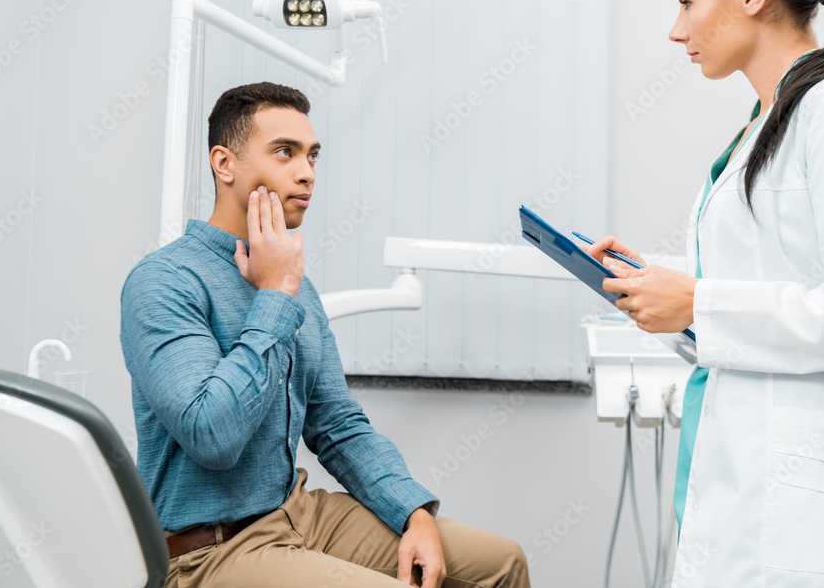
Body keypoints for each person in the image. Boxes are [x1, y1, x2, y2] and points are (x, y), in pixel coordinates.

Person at [582, 0, 824, 585]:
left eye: (685, 2)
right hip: (738, 475)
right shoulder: (763, 125)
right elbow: (775, 274)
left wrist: (700, 301)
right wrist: (663, 281)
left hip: (797, 510)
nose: (677, 31)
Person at [120, 82, 529, 588]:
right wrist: (275, 293)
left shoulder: (295, 286)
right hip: (209, 551)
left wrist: (413, 513)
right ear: (224, 165)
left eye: (312, 155)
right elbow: (212, 437)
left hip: (299, 514)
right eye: (284, 152)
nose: (306, 172)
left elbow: (337, 422)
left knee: (502, 563)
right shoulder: (164, 282)